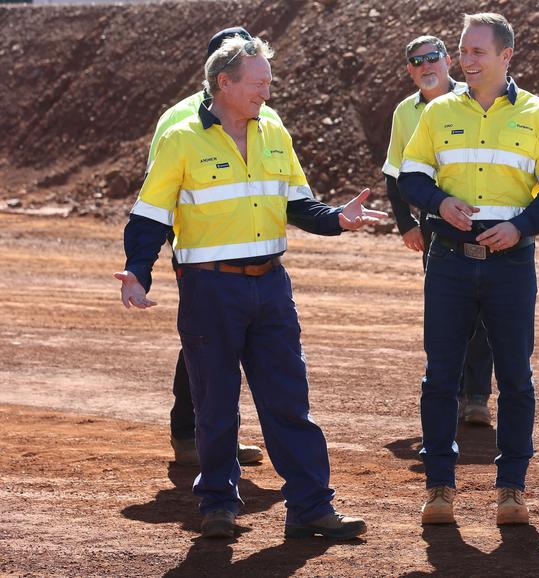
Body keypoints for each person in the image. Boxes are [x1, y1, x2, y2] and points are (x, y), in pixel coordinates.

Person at [115, 35, 385, 540]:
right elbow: (149, 218)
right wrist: (138, 270)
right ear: (225, 82)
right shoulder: (181, 139)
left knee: (288, 401)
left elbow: (298, 204)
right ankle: (218, 503)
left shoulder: (275, 130)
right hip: (209, 289)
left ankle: (310, 506)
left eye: (268, 81)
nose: (267, 90)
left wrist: (337, 219)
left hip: (271, 286)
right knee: (214, 404)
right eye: (258, 81)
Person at [398, 13, 539, 526]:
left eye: (477, 52)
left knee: (516, 379)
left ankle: (512, 491)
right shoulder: (437, 113)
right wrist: (439, 201)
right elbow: (410, 176)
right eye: (462, 51)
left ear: (506, 56)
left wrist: (520, 227)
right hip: (449, 262)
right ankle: (438, 489)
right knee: (439, 377)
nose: (464, 61)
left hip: (510, 264)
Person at [148, 26, 269, 468]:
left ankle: (215, 436)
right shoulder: (178, 119)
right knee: (203, 344)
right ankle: (188, 433)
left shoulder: (261, 113)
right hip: (201, 254)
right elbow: (157, 192)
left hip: (250, 253)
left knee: (224, 343)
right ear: (220, 71)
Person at [383, 34, 494, 427]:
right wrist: (406, 226)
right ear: (410, 70)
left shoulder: (480, 97)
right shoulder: (404, 112)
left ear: (448, 60)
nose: (426, 66)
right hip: (434, 228)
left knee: (483, 314)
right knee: (448, 312)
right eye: (417, 61)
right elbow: (394, 175)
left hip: (482, 221)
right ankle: (450, 387)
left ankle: (477, 395)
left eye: (433, 57)